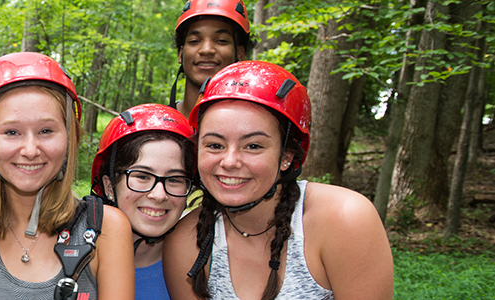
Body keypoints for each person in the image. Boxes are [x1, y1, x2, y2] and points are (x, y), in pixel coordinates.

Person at [162, 61, 393, 299]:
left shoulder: (344, 220)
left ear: (286, 156)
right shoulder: (186, 241)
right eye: (215, 145)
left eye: (253, 146)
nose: (230, 161)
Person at [0, 52, 134, 300]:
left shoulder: (105, 230)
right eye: (11, 132)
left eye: (45, 130)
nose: (30, 150)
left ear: (69, 138)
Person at [89, 103, 195, 300]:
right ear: (110, 186)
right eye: (143, 176)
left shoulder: (201, 265)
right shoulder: (71, 259)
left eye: (174, 180)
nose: (159, 194)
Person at [169, 0, 255, 116]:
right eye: (194, 41)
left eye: (221, 40)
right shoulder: (155, 128)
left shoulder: (253, 124)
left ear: (240, 52)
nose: (206, 50)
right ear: (181, 53)